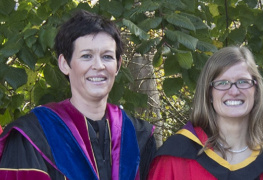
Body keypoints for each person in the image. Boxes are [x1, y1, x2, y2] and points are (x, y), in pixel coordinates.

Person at [0, 10, 156, 180]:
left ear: (118, 65)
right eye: (86, 56)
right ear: (64, 64)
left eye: (107, 57)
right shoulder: (33, 135)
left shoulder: (138, 135)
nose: (98, 66)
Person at [148, 46, 263, 180]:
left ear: (256, 91)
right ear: (209, 93)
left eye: (243, 81)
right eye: (222, 83)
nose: (234, 91)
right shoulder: (176, 155)